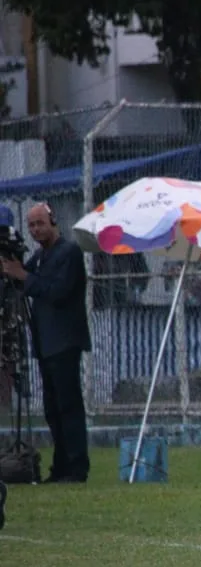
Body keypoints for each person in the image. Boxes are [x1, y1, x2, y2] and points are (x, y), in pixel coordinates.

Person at [1, 204, 91, 484]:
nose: (36, 230)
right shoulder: (40, 257)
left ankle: (76, 466)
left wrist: (22, 275)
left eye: (40, 223)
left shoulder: (69, 253)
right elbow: (20, 282)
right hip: (45, 343)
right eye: (31, 226)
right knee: (52, 409)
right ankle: (61, 466)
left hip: (64, 341)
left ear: (53, 221)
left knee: (68, 406)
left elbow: (57, 291)